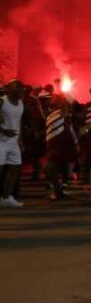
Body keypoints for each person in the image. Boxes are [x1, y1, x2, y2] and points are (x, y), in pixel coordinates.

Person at [0, 80, 25, 208]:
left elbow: (18, 122)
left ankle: (6, 197)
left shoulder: (21, 103)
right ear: (10, 89)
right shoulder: (2, 101)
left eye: (22, 88)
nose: (22, 90)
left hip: (14, 142)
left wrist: (20, 140)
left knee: (15, 168)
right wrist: (3, 130)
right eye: (19, 87)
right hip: (1, 142)